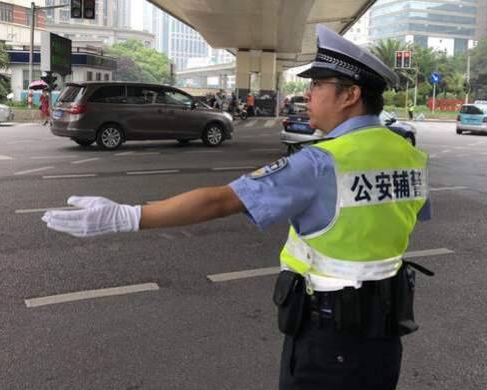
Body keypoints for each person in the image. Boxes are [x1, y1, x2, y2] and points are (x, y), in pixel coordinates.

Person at [42, 24, 431, 390]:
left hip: (330, 341)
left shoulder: (320, 162)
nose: (307, 95)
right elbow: (395, 220)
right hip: (385, 336)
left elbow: (221, 200)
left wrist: (127, 216)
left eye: (318, 85)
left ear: (350, 95)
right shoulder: (408, 155)